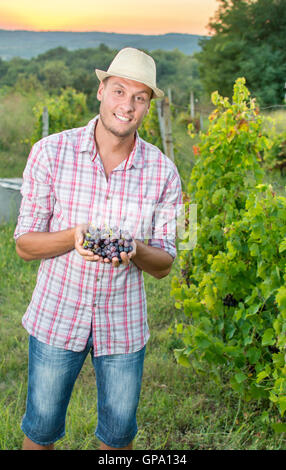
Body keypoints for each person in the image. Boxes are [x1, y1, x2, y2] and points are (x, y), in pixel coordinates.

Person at [14, 47, 182, 450]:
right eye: (119, 91)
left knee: (119, 436)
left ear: (148, 106)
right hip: (56, 317)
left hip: (123, 328)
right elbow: (23, 244)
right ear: (101, 90)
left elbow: (167, 262)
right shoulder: (49, 153)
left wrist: (135, 249)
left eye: (140, 97)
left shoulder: (166, 172)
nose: (127, 105)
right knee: (39, 429)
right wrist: (73, 236)